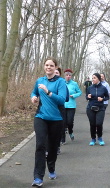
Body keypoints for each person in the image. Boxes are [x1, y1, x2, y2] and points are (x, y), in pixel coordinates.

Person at [30, 57, 67, 187]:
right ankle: (38, 177)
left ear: (56, 67)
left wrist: (48, 92)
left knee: (52, 148)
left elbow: (62, 100)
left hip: (56, 119)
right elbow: (34, 92)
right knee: (40, 145)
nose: (48, 67)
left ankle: (51, 168)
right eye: (46, 65)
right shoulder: (40, 80)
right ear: (44, 67)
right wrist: (33, 97)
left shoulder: (61, 82)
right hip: (41, 117)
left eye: (51, 65)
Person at [86, 73, 109, 146]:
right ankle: (93, 138)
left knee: (99, 123)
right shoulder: (90, 88)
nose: (93, 79)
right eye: (92, 78)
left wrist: (102, 99)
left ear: (98, 79)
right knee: (92, 124)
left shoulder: (103, 88)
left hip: (100, 108)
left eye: (94, 78)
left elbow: (107, 97)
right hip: (90, 108)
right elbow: (86, 97)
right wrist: (88, 97)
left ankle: (100, 137)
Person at [64, 68, 82, 141]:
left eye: (69, 75)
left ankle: (70, 132)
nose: (68, 76)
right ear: (64, 76)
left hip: (71, 105)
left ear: (71, 76)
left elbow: (79, 92)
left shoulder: (74, 84)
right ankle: (63, 138)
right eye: (67, 75)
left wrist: (74, 95)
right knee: (63, 122)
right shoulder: (61, 83)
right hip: (62, 105)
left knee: (70, 121)